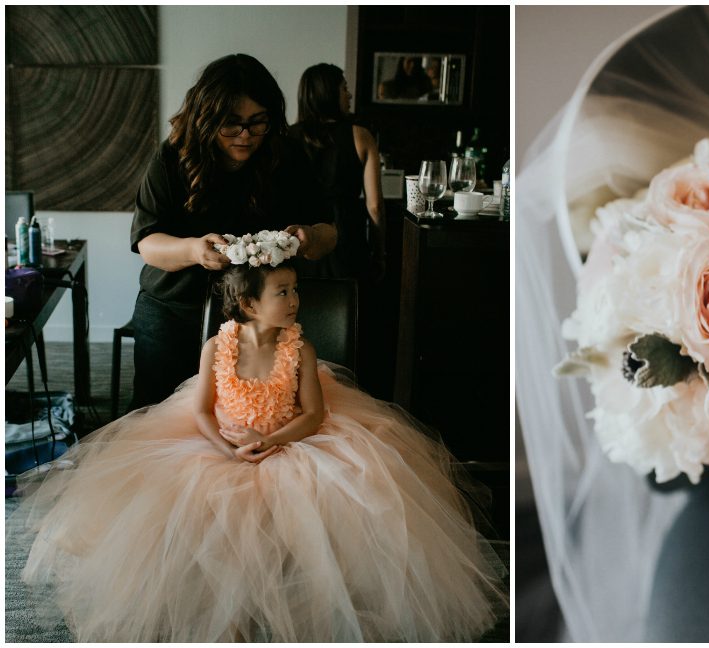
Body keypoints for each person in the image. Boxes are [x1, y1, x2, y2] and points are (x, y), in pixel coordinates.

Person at [11, 243, 507, 641]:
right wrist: (228, 449)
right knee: (195, 508)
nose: (294, 301)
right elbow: (201, 410)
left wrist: (271, 440)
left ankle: (302, 602)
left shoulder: (301, 348)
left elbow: (314, 414)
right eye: (282, 292)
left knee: (334, 497)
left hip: (292, 437)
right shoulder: (216, 346)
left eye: (295, 291)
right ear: (249, 303)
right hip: (221, 440)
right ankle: (224, 620)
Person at [129, 53, 337, 411]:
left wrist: (312, 238)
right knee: (160, 417)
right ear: (205, 117)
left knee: (255, 416)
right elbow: (148, 244)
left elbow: (329, 232)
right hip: (175, 312)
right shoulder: (171, 159)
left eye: (258, 123)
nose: (246, 136)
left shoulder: (287, 156)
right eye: (232, 124)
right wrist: (194, 250)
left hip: (261, 323)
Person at [289, 63, 384, 281]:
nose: (349, 95)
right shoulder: (361, 136)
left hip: (300, 238)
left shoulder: (286, 137)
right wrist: (380, 253)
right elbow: (375, 206)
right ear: (328, 93)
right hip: (347, 234)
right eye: (344, 88)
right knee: (349, 308)